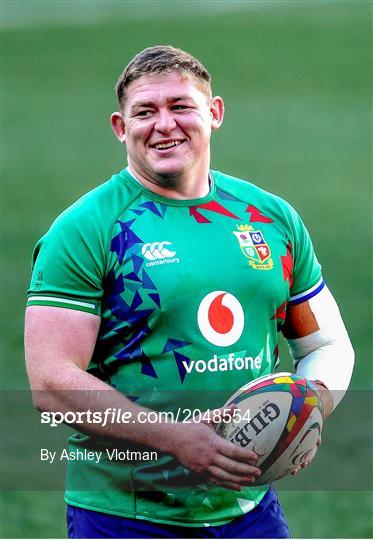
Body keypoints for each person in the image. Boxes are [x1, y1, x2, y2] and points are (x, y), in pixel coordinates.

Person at [25, 45, 354, 539]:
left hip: (250, 514)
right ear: (120, 126)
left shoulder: (270, 218)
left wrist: (306, 410)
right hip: (125, 514)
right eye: (145, 112)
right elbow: (51, 383)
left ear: (214, 113)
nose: (164, 124)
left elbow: (326, 345)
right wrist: (177, 439)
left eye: (180, 106)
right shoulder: (85, 229)